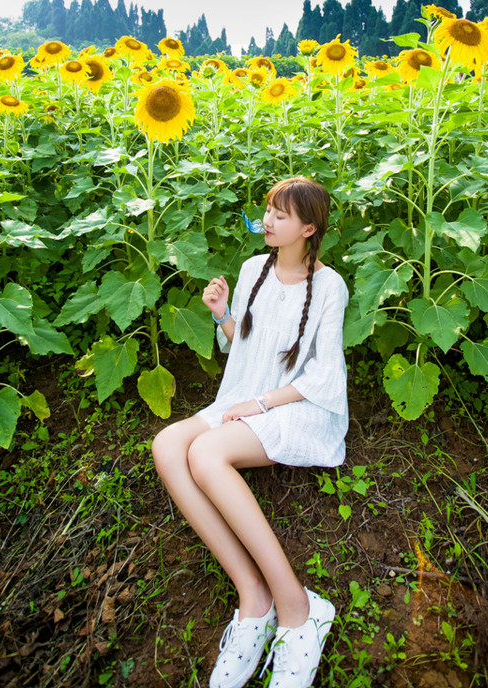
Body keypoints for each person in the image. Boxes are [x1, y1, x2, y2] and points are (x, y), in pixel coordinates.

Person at [151, 176, 349, 688]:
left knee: (208, 453)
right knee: (169, 446)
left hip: (296, 406)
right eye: (267, 212)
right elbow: (249, 344)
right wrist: (222, 317)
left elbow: (320, 377)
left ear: (308, 228)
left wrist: (258, 405)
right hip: (244, 395)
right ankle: (252, 597)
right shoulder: (251, 269)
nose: (268, 222)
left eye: (281, 216)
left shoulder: (329, 287)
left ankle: (298, 608)